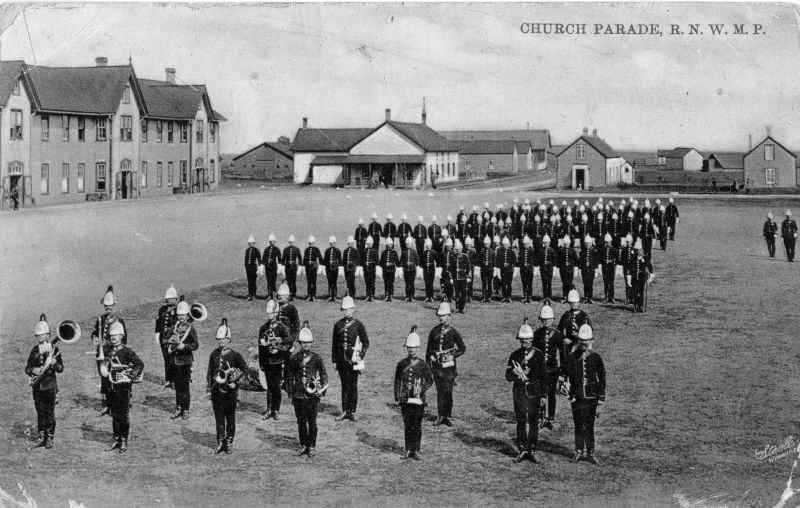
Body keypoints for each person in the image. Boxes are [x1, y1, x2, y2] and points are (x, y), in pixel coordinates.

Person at [505, 319, 546, 464]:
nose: (525, 341)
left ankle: (532, 449)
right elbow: (507, 376)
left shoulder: (538, 355)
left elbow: (543, 377)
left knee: (534, 422)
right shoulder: (515, 355)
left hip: (534, 392)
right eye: (522, 339)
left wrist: (544, 396)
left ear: (532, 339)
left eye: (527, 339)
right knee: (521, 421)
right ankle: (522, 449)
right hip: (519, 393)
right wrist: (515, 373)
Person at [206, 319, 248, 454]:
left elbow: (245, 371)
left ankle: (229, 441)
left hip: (230, 393)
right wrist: (208, 388)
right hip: (216, 391)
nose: (220, 342)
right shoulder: (214, 354)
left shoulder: (235, 355)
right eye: (219, 339)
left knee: (230, 418)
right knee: (219, 418)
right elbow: (210, 371)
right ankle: (220, 441)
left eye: (223, 339)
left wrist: (234, 382)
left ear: (229, 340)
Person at [567, 324, 606, 465]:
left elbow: (602, 378)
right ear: (578, 341)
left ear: (591, 341)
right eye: (581, 340)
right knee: (578, 424)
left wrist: (601, 397)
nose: (583, 343)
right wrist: (567, 389)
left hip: (591, 397)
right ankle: (578, 451)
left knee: (589, 425)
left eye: (586, 341)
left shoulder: (596, 358)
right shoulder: (571, 357)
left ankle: (590, 452)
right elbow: (566, 376)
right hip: (576, 397)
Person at [287, 324, 328, 458]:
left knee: (313, 422)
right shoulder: (294, 358)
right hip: (298, 394)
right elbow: (289, 376)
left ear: (311, 343)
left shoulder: (316, 358)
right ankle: (303, 444)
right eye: (303, 342)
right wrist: (291, 392)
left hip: (312, 396)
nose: (306, 345)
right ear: (300, 343)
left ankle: (312, 446)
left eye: (308, 342)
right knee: (300, 421)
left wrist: (321, 390)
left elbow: (323, 375)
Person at [103, 321, 144, 453]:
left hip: (123, 388)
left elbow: (139, 364)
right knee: (114, 415)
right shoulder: (109, 352)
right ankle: (116, 439)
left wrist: (131, 374)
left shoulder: (127, 351)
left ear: (122, 336)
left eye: (116, 335)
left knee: (123, 415)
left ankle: (124, 440)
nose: (113, 338)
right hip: (112, 387)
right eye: (111, 336)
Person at [25, 315, 64, 449]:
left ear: (48, 335)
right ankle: (41, 437)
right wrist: (33, 371)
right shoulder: (34, 350)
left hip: (50, 386)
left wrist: (53, 364)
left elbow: (60, 369)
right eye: (38, 336)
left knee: (50, 413)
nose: (40, 338)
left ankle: (49, 437)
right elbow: (27, 368)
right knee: (40, 412)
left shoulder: (55, 350)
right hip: (37, 388)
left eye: (42, 335)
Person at [395, 326, 433, 460]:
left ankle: (416, 450)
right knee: (407, 425)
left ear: (418, 348)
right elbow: (397, 381)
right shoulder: (401, 364)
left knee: (417, 425)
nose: (411, 350)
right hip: (405, 400)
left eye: (414, 348)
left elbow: (430, 380)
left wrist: (421, 388)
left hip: (418, 400)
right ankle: (408, 449)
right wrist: (397, 397)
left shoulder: (422, 364)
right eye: (409, 348)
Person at [425, 303, 466, 426]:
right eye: (440, 315)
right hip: (437, 367)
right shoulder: (434, 331)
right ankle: (440, 416)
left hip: (449, 368)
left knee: (448, 391)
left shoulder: (453, 332)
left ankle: (448, 416)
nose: (441, 318)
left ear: (449, 316)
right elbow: (429, 349)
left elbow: (462, 347)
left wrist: (453, 355)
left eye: (444, 315)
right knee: (440, 392)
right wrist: (431, 357)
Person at [331, 296, 369, 421]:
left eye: (349, 309)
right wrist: (335, 360)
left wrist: (360, 354)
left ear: (353, 309)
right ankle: (344, 410)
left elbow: (365, 341)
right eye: (344, 309)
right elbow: (334, 344)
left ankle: (352, 411)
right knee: (344, 385)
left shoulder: (358, 325)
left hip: (354, 358)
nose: (346, 311)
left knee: (353, 384)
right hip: (342, 359)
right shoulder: (338, 325)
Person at [92, 285, 126, 416]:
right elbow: (94, 333)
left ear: (114, 305)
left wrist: (115, 350)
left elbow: (124, 340)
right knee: (103, 380)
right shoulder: (100, 319)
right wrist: (95, 338)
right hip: (101, 355)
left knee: (113, 380)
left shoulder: (119, 320)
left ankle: (115, 405)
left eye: (110, 306)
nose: (108, 308)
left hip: (113, 355)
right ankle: (105, 405)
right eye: (106, 306)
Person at [258, 300, 293, 420]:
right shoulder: (263, 328)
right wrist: (261, 363)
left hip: (277, 361)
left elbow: (289, 341)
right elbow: (261, 347)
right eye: (268, 313)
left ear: (276, 313)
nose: (269, 315)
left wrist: (278, 347)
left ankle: (276, 410)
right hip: (267, 361)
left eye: (271, 313)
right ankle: (269, 409)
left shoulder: (282, 328)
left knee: (276, 387)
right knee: (269, 386)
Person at [533, 303, 566, 429]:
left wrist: (563, 371)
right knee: (541, 393)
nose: (546, 321)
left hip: (552, 369)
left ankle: (550, 417)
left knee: (552, 394)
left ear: (552, 320)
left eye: (548, 319)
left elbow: (562, 354)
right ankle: (541, 416)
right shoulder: (537, 334)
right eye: (544, 319)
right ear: (541, 320)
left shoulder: (557, 334)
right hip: (540, 368)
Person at [166, 300, 199, 419]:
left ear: (187, 315)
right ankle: (179, 407)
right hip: (174, 361)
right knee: (177, 386)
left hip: (185, 361)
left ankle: (186, 409)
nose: (180, 317)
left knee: (185, 387)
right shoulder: (174, 327)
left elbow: (195, 345)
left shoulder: (191, 329)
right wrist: (170, 341)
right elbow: (165, 340)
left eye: (183, 315)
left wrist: (184, 346)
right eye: (179, 315)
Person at [155, 284, 179, 389]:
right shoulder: (162, 309)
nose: (169, 300)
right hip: (163, 337)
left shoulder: (178, 309)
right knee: (166, 359)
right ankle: (168, 380)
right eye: (168, 298)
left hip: (172, 337)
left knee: (173, 359)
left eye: (171, 298)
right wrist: (157, 334)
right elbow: (158, 322)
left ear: (175, 298)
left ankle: (174, 381)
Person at [627, 239, 653, 313]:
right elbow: (629, 268)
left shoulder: (644, 258)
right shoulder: (632, 258)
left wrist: (650, 274)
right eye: (636, 250)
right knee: (635, 292)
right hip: (635, 277)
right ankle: (635, 306)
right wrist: (629, 278)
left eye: (639, 250)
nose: (638, 251)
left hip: (642, 277)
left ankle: (640, 306)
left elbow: (649, 266)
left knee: (641, 292)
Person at [452, 240, 472, 313]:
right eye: (456, 249)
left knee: (463, 293)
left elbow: (469, 267)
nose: (457, 251)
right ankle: (457, 307)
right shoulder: (453, 257)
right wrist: (451, 278)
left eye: (459, 249)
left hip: (463, 277)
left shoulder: (465, 257)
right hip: (456, 277)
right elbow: (450, 268)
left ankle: (462, 308)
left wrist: (468, 277)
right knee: (456, 293)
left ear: (461, 249)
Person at [556, 237, 578, 303]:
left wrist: (576, 268)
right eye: (565, 243)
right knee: (564, 282)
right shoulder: (561, 250)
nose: (566, 244)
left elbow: (576, 260)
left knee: (569, 282)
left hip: (570, 268)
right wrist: (557, 268)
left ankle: (569, 296)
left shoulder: (572, 250)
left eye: (567, 243)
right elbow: (558, 260)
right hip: (563, 268)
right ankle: (565, 296)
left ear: (569, 243)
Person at [578, 236, 599, 304]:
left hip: (591, 270)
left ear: (591, 244)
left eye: (589, 243)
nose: (587, 245)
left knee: (590, 284)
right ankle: (585, 297)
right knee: (585, 284)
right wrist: (579, 269)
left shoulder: (594, 251)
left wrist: (596, 269)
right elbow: (580, 261)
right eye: (586, 243)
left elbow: (596, 261)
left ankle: (590, 297)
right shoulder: (582, 252)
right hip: (584, 270)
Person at [303, 236, 323, 302]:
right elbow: (305, 259)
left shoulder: (316, 249)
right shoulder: (306, 250)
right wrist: (303, 266)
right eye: (309, 242)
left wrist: (321, 266)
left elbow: (320, 257)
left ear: (314, 242)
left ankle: (313, 296)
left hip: (313, 267)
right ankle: (309, 295)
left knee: (314, 281)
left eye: (311, 242)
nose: (310, 243)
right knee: (309, 282)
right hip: (307, 267)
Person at [281, 235, 302, 300]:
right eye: (290, 242)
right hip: (287, 267)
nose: (291, 243)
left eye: (292, 242)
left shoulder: (297, 249)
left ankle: (293, 295)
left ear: (294, 242)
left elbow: (300, 258)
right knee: (288, 281)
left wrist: (300, 268)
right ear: (288, 242)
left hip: (294, 267)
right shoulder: (286, 249)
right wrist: (283, 266)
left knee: (293, 281)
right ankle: (288, 294)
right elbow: (283, 259)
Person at [599, 234, 618, 303]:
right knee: (605, 283)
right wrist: (604, 261)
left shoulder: (614, 249)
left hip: (611, 267)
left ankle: (612, 297)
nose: (608, 243)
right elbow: (600, 258)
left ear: (611, 241)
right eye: (606, 242)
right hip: (604, 267)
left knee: (611, 282)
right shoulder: (602, 249)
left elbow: (616, 258)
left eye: (609, 242)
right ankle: (606, 297)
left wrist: (611, 261)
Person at [379, 237, 399, 302]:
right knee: (386, 283)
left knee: (391, 283)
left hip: (392, 270)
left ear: (392, 245)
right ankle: (386, 295)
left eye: (390, 244)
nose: (389, 246)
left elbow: (397, 262)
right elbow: (380, 263)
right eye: (388, 244)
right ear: (386, 245)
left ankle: (390, 296)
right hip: (385, 270)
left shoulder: (394, 252)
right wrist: (385, 265)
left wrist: (391, 264)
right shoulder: (383, 252)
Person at [262, 233, 282, 298]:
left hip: (273, 268)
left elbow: (279, 259)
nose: (271, 242)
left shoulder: (277, 249)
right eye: (270, 241)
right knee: (268, 282)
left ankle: (273, 295)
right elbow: (263, 258)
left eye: (272, 241)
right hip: (267, 268)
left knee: (273, 282)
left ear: (275, 241)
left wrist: (280, 267)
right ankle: (269, 295)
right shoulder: (266, 249)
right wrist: (262, 267)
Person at [324, 236, 342, 302]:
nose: (332, 244)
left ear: (335, 243)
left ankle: (334, 296)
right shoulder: (327, 250)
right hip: (328, 268)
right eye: (331, 243)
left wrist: (339, 267)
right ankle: (329, 296)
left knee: (334, 282)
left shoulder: (337, 250)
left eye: (333, 243)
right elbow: (325, 260)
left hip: (335, 268)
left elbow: (340, 260)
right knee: (329, 282)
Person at [537, 235, 556, 301]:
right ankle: (545, 296)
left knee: (549, 283)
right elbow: (539, 260)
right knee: (544, 283)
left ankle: (549, 296)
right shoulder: (541, 250)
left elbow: (554, 261)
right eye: (544, 243)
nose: (545, 244)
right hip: (543, 269)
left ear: (549, 243)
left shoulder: (552, 250)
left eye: (547, 243)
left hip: (549, 269)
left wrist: (549, 263)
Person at [401, 237, 419, 302]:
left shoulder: (414, 251)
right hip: (406, 270)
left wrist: (413, 264)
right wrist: (404, 264)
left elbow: (417, 260)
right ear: (406, 244)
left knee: (412, 283)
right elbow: (401, 260)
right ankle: (407, 296)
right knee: (407, 283)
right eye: (407, 244)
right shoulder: (404, 252)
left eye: (410, 244)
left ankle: (412, 296)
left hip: (412, 269)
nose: (408, 245)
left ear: (411, 244)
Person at [518, 236, 536, 303]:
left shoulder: (531, 251)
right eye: (524, 244)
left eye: (527, 244)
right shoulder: (521, 251)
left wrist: (532, 266)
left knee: (530, 283)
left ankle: (530, 297)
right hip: (523, 270)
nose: (526, 245)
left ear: (529, 243)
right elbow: (519, 260)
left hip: (529, 270)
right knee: (524, 283)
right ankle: (525, 296)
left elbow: (534, 260)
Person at [244, 235, 262, 301]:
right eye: (249, 243)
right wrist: (246, 266)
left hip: (253, 268)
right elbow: (246, 259)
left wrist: (260, 268)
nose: (250, 244)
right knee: (249, 281)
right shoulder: (247, 250)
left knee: (253, 281)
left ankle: (253, 295)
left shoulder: (256, 250)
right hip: (248, 268)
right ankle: (249, 294)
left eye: (251, 243)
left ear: (254, 243)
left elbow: (259, 259)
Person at [420, 238, 438, 303]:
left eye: (429, 245)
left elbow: (437, 260)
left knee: (431, 283)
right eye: (427, 245)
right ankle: (427, 296)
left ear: (431, 245)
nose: (428, 246)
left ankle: (431, 297)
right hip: (425, 269)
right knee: (426, 283)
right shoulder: (423, 253)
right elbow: (421, 261)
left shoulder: (434, 252)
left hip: (431, 269)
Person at [362, 236, 379, 301]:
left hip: (372, 269)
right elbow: (362, 259)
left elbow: (377, 261)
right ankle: (367, 295)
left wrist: (375, 266)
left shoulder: (374, 251)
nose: (369, 244)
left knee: (372, 282)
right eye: (368, 243)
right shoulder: (364, 251)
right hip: (365, 268)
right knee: (367, 282)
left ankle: (372, 295)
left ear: (372, 244)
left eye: (370, 243)